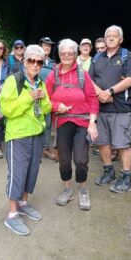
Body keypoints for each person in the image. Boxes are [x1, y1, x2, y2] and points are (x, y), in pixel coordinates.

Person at [0, 45, 52, 236]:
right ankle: (12, 215)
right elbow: (7, 110)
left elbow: (46, 108)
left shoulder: (40, 83)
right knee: (18, 173)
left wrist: (43, 98)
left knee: (32, 171)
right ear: (24, 61)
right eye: (32, 60)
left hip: (36, 133)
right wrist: (29, 98)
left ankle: (23, 203)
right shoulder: (14, 81)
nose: (36, 65)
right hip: (18, 135)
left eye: (39, 62)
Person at [46, 39, 99, 210]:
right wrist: (56, 106)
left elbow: (92, 98)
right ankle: (67, 189)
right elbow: (45, 99)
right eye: (63, 53)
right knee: (64, 160)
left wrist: (92, 122)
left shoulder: (83, 74)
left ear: (76, 55)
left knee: (81, 159)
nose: (67, 56)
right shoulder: (53, 74)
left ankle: (83, 190)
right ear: (59, 55)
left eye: (70, 53)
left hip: (82, 121)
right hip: (63, 121)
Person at [89, 25, 131, 193]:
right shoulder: (97, 58)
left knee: (122, 143)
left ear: (120, 40)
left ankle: (126, 177)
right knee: (102, 142)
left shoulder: (127, 56)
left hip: (120, 109)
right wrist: (101, 94)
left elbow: (130, 80)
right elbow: (89, 80)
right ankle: (108, 171)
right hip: (100, 109)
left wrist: (109, 91)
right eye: (108, 35)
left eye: (114, 36)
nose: (110, 38)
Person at [39, 37, 56, 160]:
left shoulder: (53, 64)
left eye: (49, 46)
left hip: (48, 99)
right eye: (45, 45)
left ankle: (45, 149)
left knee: (48, 123)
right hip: (35, 98)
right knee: (35, 122)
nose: (47, 48)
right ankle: (35, 150)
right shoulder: (34, 60)